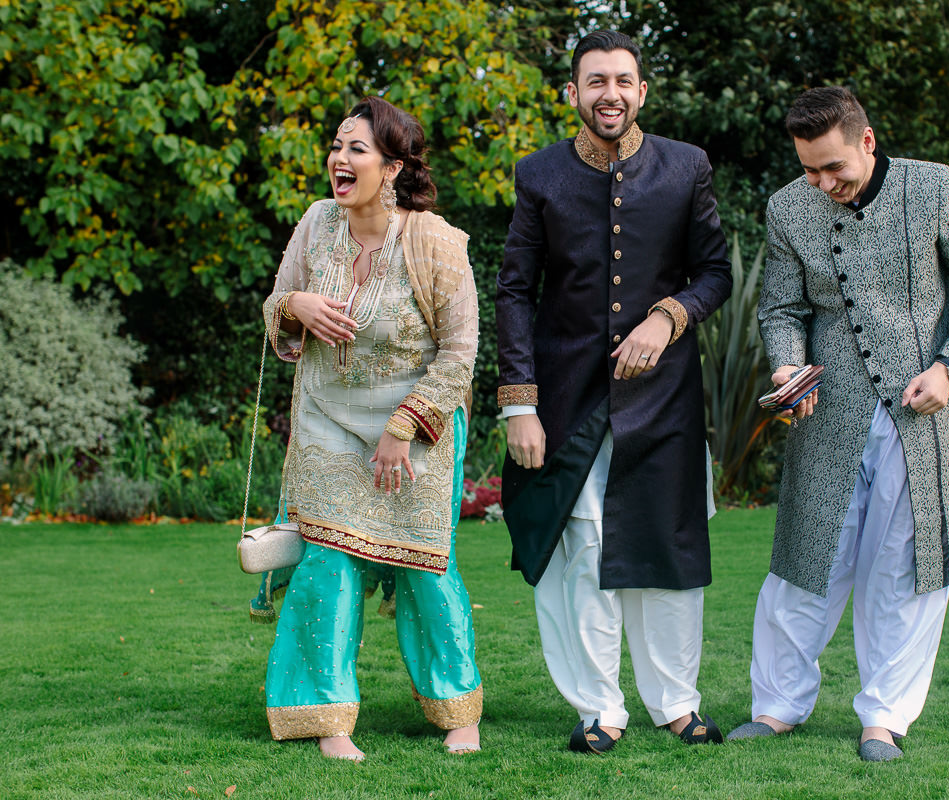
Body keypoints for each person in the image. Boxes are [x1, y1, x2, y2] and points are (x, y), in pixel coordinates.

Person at [728, 86, 949, 761]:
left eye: (834, 168)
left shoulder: (932, 186)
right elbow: (780, 309)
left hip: (921, 413)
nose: (823, 183)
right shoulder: (786, 207)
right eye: (809, 170)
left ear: (867, 140)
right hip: (827, 414)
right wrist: (786, 369)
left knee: (907, 571)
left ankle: (884, 718)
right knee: (804, 565)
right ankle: (776, 708)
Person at [494, 30, 733, 753]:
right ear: (573, 93)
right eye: (596, 81)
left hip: (664, 398)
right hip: (568, 399)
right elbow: (513, 290)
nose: (611, 94)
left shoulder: (685, 167)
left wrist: (668, 317)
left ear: (642, 91)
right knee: (585, 553)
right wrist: (519, 404)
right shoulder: (539, 175)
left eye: (623, 81)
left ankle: (676, 704)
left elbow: (714, 272)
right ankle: (600, 709)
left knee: (669, 547)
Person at [260, 96, 482, 761]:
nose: (339, 158)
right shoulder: (316, 222)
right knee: (327, 562)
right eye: (336, 145)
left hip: (417, 427)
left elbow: (461, 351)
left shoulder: (436, 241)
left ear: (393, 166)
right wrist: (296, 303)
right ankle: (325, 718)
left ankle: (457, 710)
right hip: (328, 418)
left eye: (356, 148)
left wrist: (403, 426)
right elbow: (276, 303)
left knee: (423, 568)